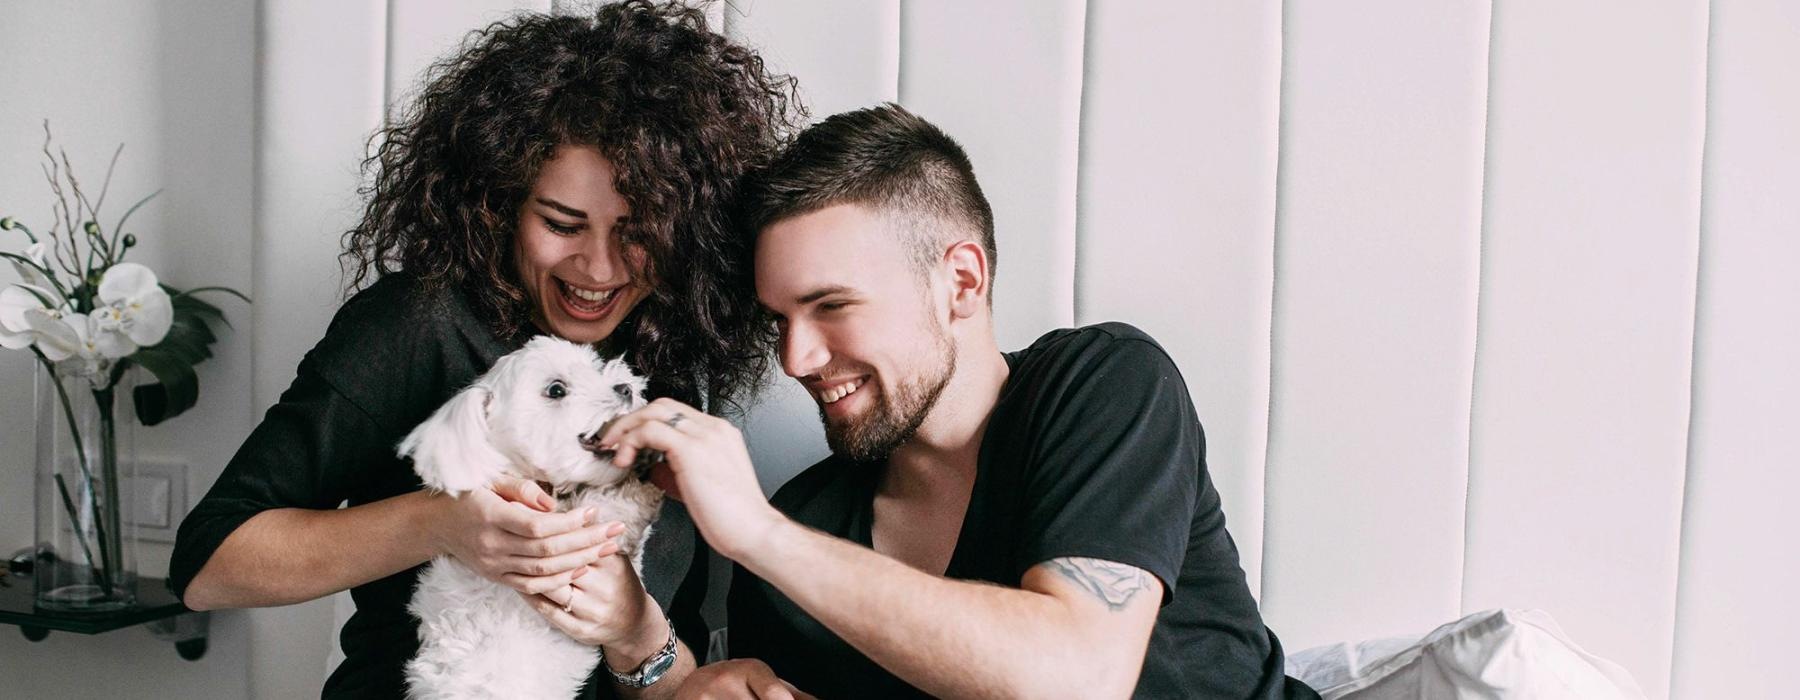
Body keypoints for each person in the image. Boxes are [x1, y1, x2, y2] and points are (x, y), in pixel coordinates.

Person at [168, 3, 799, 697]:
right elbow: (208, 567)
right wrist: (444, 525)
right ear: (500, 202)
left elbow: (661, 660)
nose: (598, 269)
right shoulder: (420, 324)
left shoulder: (678, 354)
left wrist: (640, 637)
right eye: (562, 223)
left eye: (639, 232)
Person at [595, 104, 1321, 699]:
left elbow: (1078, 676)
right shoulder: (806, 528)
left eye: (833, 306)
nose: (795, 358)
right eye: (781, 320)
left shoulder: (1102, 384)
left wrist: (756, 532)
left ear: (962, 283)